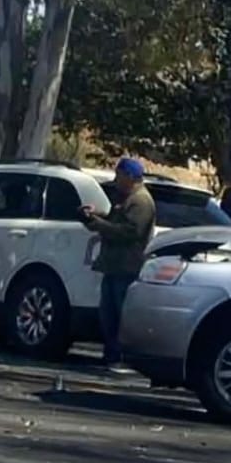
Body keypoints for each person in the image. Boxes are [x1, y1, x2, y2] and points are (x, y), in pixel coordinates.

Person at [82, 157, 157, 370]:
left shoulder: (141, 201)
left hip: (127, 268)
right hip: (113, 266)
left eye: (119, 176)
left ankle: (121, 357)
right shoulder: (125, 198)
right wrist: (93, 216)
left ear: (130, 177)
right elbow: (114, 221)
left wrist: (100, 225)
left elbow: (130, 232)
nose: (116, 180)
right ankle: (110, 354)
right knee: (107, 314)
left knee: (120, 314)